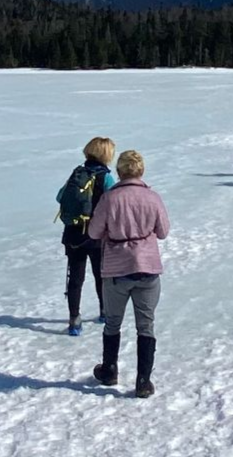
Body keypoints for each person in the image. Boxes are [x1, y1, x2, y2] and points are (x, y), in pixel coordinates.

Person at [88, 149, 171, 397]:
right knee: (145, 325)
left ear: (120, 171)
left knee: (113, 322)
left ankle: (110, 370)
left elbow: (93, 231)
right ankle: (143, 381)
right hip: (147, 268)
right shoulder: (152, 198)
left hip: (116, 269)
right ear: (141, 171)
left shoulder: (109, 199)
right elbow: (164, 231)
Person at [60, 137, 117, 336]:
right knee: (101, 275)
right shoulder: (106, 178)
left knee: (75, 277)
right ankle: (104, 311)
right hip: (97, 235)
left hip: (73, 234)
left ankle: (74, 319)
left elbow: (60, 197)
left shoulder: (77, 173)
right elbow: (114, 204)